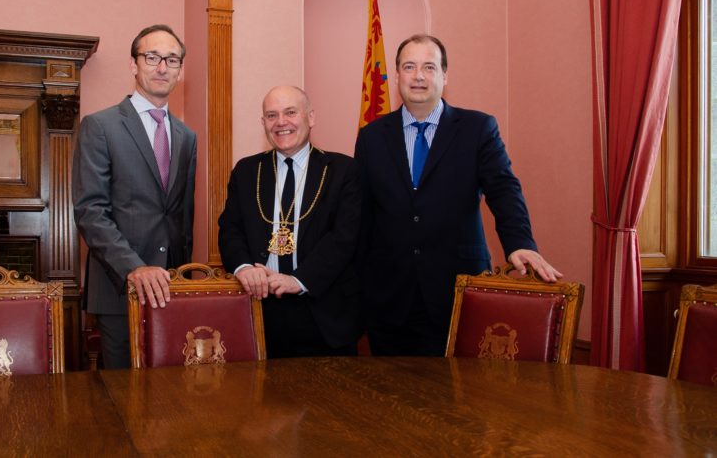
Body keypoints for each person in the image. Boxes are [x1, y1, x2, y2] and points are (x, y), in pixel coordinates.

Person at [354, 34, 562, 356]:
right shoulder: (371, 138)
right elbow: (362, 214)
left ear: (444, 76)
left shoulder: (477, 128)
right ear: (396, 76)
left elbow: (504, 188)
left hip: (457, 291)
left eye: (429, 67)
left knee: (459, 397)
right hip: (389, 298)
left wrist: (519, 242)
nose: (419, 76)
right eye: (409, 66)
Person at [73, 24, 197, 369]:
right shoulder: (100, 126)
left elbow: (182, 217)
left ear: (180, 71)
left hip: (170, 287)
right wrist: (135, 268)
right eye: (152, 57)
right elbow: (90, 211)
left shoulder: (187, 137)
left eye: (171, 60)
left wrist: (182, 278)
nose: (162, 67)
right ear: (134, 65)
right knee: (122, 401)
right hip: (118, 288)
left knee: (168, 396)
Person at [219, 85, 361, 358]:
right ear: (263, 123)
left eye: (290, 112)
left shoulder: (343, 171)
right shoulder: (247, 171)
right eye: (271, 116)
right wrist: (245, 268)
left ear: (310, 117)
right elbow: (230, 229)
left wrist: (299, 279)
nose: (281, 122)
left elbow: (344, 237)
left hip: (322, 311)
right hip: (260, 309)